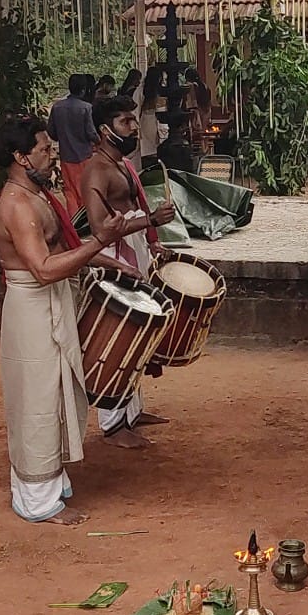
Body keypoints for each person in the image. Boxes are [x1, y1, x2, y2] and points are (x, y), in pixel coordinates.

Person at [0, 115, 127, 523]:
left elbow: (69, 246)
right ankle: (37, 499)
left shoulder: (39, 196)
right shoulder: (16, 205)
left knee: (57, 390)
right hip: (32, 310)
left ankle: (52, 480)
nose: (52, 156)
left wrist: (108, 259)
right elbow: (45, 269)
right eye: (44, 150)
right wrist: (102, 241)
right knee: (37, 399)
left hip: (49, 303)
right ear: (20, 156)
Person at [80, 94, 176, 448]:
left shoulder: (122, 163)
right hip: (113, 256)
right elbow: (99, 225)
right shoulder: (96, 169)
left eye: (134, 121)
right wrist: (149, 221)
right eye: (126, 122)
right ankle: (113, 424)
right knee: (119, 336)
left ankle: (132, 412)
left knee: (139, 337)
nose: (134, 127)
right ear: (106, 130)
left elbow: (133, 205)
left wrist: (152, 240)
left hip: (133, 249)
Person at [45, 75, 98, 217]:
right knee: (85, 190)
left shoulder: (57, 107)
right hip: (84, 155)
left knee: (70, 191)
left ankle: (74, 222)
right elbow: (91, 132)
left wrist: (62, 138)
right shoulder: (86, 108)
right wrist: (99, 142)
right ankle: (86, 220)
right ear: (84, 90)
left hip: (66, 156)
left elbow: (51, 131)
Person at [138, 63, 168, 167]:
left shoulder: (161, 90)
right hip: (148, 121)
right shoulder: (142, 90)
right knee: (150, 149)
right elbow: (136, 109)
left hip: (157, 120)